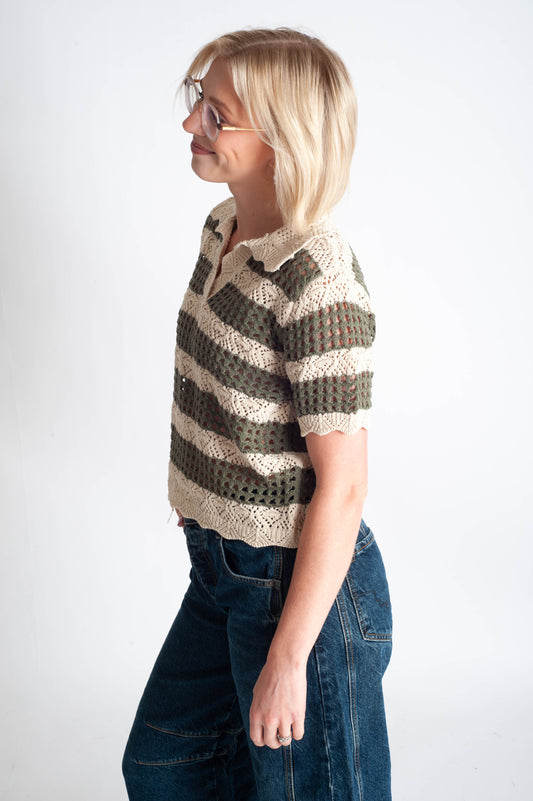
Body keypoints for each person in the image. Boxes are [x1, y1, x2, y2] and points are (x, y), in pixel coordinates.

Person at [122, 27, 393, 801]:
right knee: (164, 768)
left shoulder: (319, 281)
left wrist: (287, 659)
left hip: (297, 590)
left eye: (216, 114)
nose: (190, 126)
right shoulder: (222, 232)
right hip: (222, 570)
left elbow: (342, 487)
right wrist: (210, 502)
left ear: (281, 139)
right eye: (196, 102)